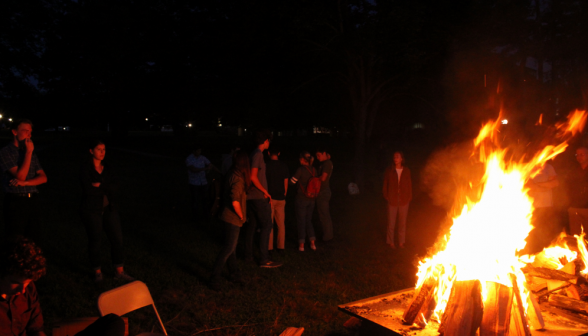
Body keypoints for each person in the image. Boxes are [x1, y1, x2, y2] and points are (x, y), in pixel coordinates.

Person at [0, 236, 125, 336]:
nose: (22, 290)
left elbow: (35, 328)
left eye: (26, 283)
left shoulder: (28, 289)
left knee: (113, 322)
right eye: (15, 283)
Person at [81, 140, 133, 283]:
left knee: (117, 239)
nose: (102, 152)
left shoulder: (108, 168)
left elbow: (115, 186)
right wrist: (104, 187)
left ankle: (119, 271)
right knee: (95, 240)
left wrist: (101, 186)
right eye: (99, 149)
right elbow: (88, 189)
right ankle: (97, 271)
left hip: (109, 207)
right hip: (92, 209)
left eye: (104, 149)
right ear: (91, 151)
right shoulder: (86, 168)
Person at [210, 150, 250, 290]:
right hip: (232, 218)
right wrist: (241, 215)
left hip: (226, 216)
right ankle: (214, 278)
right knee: (228, 248)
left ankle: (234, 273)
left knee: (231, 248)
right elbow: (234, 201)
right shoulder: (238, 178)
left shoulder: (232, 173)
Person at [0, 119, 48, 238]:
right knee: (16, 238)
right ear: (14, 132)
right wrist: (28, 153)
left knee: (34, 237)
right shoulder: (6, 152)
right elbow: (20, 175)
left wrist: (25, 183)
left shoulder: (29, 152)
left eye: (30, 132)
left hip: (32, 199)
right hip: (15, 201)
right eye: (25, 131)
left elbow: (43, 178)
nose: (29, 135)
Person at [244, 130, 282, 268]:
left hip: (252, 197)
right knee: (267, 225)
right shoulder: (258, 154)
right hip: (258, 197)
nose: (269, 143)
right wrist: (265, 191)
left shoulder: (253, 153)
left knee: (253, 225)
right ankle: (264, 259)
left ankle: (248, 256)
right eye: (268, 141)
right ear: (266, 141)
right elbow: (253, 176)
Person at [525, 162, 559, 253]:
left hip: (547, 205)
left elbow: (555, 183)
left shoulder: (549, 167)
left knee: (546, 231)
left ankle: (545, 253)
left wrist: (537, 185)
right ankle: (532, 253)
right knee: (532, 232)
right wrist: (545, 185)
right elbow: (528, 186)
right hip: (532, 207)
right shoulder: (529, 166)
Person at [382, 151, 412, 249]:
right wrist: (386, 195)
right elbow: (385, 183)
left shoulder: (406, 170)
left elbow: (409, 184)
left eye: (397, 157)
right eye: (394, 157)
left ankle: (401, 242)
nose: (395, 158)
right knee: (391, 222)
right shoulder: (390, 170)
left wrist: (409, 196)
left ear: (401, 159)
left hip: (403, 199)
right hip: (393, 198)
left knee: (402, 222)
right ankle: (391, 242)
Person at [291, 151, 318, 252]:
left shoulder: (300, 170)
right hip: (312, 199)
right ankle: (312, 243)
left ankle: (301, 245)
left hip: (301, 199)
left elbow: (292, 182)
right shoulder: (314, 170)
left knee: (301, 221)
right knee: (309, 220)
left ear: (303, 160)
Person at [266, 144, 289, 252]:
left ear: (269, 153)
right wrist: (284, 194)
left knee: (269, 224)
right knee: (281, 224)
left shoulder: (266, 166)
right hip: (280, 197)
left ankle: (269, 247)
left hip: (269, 198)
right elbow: (286, 181)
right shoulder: (283, 166)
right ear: (279, 153)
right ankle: (281, 246)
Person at [186, 145, 212, 224]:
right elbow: (193, 169)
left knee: (205, 199)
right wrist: (205, 169)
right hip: (194, 183)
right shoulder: (189, 159)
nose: (199, 152)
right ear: (194, 151)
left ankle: (205, 215)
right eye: (198, 151)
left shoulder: (202, 158)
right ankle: (195, 217)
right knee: (195, 200)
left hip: (203, 182)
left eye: (200, 151)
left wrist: (209, 168)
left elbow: (210, 164)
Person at [567, 147, 588, 235]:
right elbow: (569, 187)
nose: (579, 157)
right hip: (575, 207)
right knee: (576, 235)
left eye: (582, 154)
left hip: (587, 208)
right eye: (577, 155)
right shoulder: (574, 171)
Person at [315, 147, 334, 241]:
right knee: (323, 214)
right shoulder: (325, 163)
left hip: (323, 192)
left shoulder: (327, 163)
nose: (317, 157)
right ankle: (327, 235)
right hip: (322, 191)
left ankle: (327, 236)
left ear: (324, 153)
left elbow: (323, 178)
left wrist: (314, 180)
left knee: (324, 215)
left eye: (319, 155)